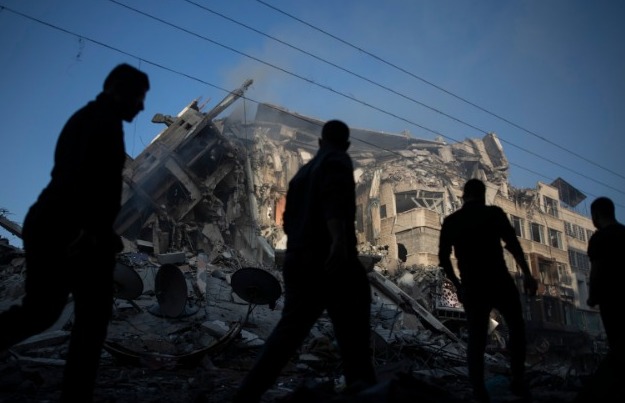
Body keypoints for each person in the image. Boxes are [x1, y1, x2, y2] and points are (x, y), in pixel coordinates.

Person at [0, 63, 149, 402]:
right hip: (64, 228)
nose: (141, 106)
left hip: (62, 226)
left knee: (61, 313)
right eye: (139, 97)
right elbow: (78, 180)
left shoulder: (97, 120)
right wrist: (87, 231)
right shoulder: (99, 122)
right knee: (60, 314)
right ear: (118, 90)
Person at [232, 120, 377, 403]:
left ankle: (246, 394)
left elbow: (287, 222)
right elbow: (334, 202)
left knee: (288, 332)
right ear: (346, 144)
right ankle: (366, 392)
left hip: (298, 260)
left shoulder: (301, 175)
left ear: (320, 142)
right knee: (354, 335)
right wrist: (337, 242)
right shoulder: (338, 160)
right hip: (331, 260)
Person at [438, 178, 538, 403]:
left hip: (473, 285)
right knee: (516, 327)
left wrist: (458, 285)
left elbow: (443, 258)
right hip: (499, 279)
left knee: (476, 337)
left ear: (464, 196)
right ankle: (518, 379)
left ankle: (478, 390)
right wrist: (528, 274)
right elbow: (513, 245)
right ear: (483, 196)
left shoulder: (452, 220)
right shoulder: (494, 214)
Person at [575, 196, 625, 402]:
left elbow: (596, 269)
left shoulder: (600, 238)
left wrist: (592, 295)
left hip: (611, 300)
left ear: (595, 216)